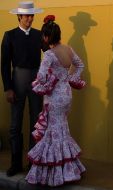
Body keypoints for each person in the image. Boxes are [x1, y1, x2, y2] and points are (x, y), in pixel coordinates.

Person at [25, 15, 86, 186]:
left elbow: (41, 77)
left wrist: (47, 81)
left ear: (46, 37)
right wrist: (70, 77)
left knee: (53, 131)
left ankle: (57, 174)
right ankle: (68, 170)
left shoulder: (49, 55)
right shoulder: (68, 49)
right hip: (66, 93)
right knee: (61, 129)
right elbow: (80, 65)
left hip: (54, 97)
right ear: (58, 35)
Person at [1, 1, 43, 177]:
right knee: (15, 124)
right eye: (26, 16)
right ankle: (16, 162)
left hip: (36, 81)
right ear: (19, 16)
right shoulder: (9, 35)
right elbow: (4, 64)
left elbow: (49, 55)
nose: (30, 18)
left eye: (32, 15)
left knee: (36, 123)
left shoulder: (39, 35)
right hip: (17, 80)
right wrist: (8, 88)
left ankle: (33, 162)